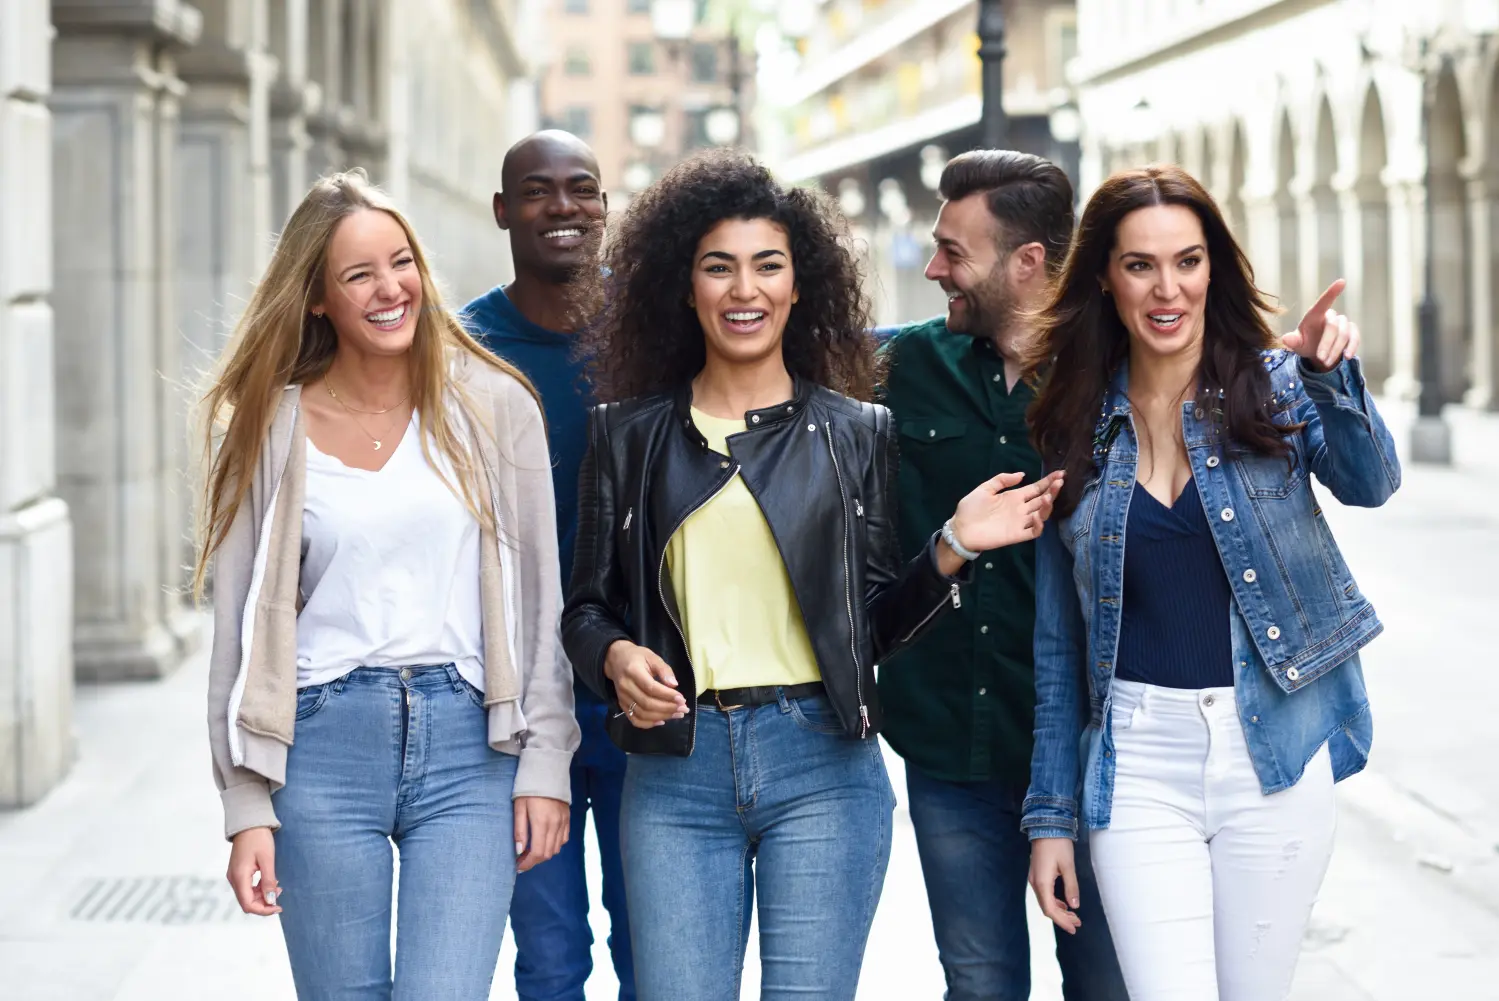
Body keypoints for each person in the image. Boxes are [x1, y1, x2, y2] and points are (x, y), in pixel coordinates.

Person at [560, 149, 1063, 1000]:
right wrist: (611, 657)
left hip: (821, 764)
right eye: (718, 267)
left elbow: (871, 625)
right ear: (685, 287)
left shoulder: (857, 430)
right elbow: (583, 609)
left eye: (767, 266)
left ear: (800, 286)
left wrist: (951, 545)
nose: (743, 290)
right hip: (676, 772)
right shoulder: (626, 435)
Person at [199, 169, 580, 999]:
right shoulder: (272, 423)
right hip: (322, 745)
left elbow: (536, 605)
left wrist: (545, 760)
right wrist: (245, 802)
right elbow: (235, 627)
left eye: (401, 262)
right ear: (316, 299)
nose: (390, 288)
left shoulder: (495, 406)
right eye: (358, 274)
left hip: (468, 747)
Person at [1023, 165, 1400, 1001]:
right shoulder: (1072, 422)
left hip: (1267, 747)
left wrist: (1333, 377)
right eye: (1140, 265)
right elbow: (1058, 645)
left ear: (1211, 270)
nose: (1168, 288)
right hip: (1138, 756)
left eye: (1187, 262)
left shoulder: (1274, 386)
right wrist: (1050, 818)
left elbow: (1371, 481)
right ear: (1103, 278)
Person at [875, 150, 1126, 1000]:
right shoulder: (905, 365)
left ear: (1028, 263)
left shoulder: (1116, 377)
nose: (933, 266)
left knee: (1106, 983)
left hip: (1089, 753)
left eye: (953, 251)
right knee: (977, 985)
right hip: (950, 746)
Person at [463, 130, 636, 1001]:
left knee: (659, 951)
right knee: (551, 955)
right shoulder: (461, 351)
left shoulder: (654, 336)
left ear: (605, 206)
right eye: (538, 191)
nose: (563, 207)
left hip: (645, 694)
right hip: (523, 701)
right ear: (502, 210)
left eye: (583, 189)